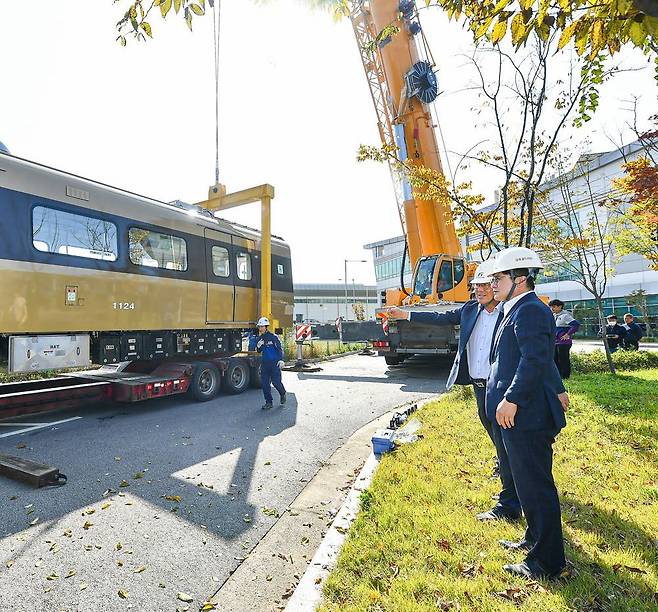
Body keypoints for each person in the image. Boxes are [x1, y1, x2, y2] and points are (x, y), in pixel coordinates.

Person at [388, 260, 521, 519]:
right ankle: (508, 470)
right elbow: (440, 318)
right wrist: (405, 314)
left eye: (484, 286)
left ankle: (511, 493)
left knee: (506, 437)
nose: (479, 291)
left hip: (501, 386)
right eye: (476, 286)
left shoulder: (509, 312)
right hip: (480, 386)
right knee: (493, 431)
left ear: (495, 286)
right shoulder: (470, 309)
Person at [487, 246, 569, 580]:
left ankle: (547, 562)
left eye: (499, 277)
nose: (493, 283)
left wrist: (512, 398)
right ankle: (534, 539)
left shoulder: (531, 310)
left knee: (536, 486)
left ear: (519, 279)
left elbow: (534, 359)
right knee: (526, 483)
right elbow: (535, 356)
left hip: (527, 414)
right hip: (520, 413)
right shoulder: (518, 308)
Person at [249, 317, 286, 410]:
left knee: (276, 383)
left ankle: (282, 393)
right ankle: (268, 402)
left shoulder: (273, 337)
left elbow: (279, 349)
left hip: (275, 364)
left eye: (262, 326)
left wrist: (281, 359)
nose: (260, 328)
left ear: (266, 327)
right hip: (265, 364)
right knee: (265, 384)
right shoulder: (260, 339)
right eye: (259, 327)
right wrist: (258, 345)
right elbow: (258, 351)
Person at [548, 299, 580, 379]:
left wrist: (567, 334)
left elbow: (576, 325)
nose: (552, 309)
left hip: (564, 342)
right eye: (551, 307)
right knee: (555, 359)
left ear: (560, 306)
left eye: (554, 307)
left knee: (563, 359)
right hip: (555, 342)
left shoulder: (565, 316)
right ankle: (558, 376)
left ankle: (565, 376)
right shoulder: (554, 316)